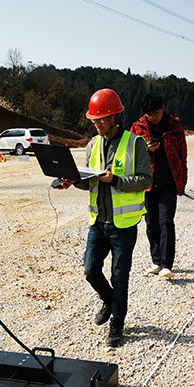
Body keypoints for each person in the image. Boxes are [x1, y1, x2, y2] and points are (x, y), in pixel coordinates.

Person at [55, 89, 152, 347]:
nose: (97, 125)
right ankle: (110, 301)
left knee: (120, 276)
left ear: (114, 116)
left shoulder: (135, 144)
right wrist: (73, 182)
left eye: (101, 120)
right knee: (90, 270)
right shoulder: (92, 145)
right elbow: (89, 183)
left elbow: (145, 180)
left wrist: (116, 180)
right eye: (94, 121)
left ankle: (117, 326)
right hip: (98, 222)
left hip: (123, 225)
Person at [130, 93, 188, 279]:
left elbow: (182, 154)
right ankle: (156, 261)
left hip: (169, 182)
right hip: (146, 184)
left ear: (163, 108)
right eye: (148, 114)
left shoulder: (175, 126)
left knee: (166, 222)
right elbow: (130, 154)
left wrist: (182, 181)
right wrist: (145, 150)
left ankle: (167, 264)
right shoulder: (138, 127)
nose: (152, 117)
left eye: (155, 113)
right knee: (151, 223)